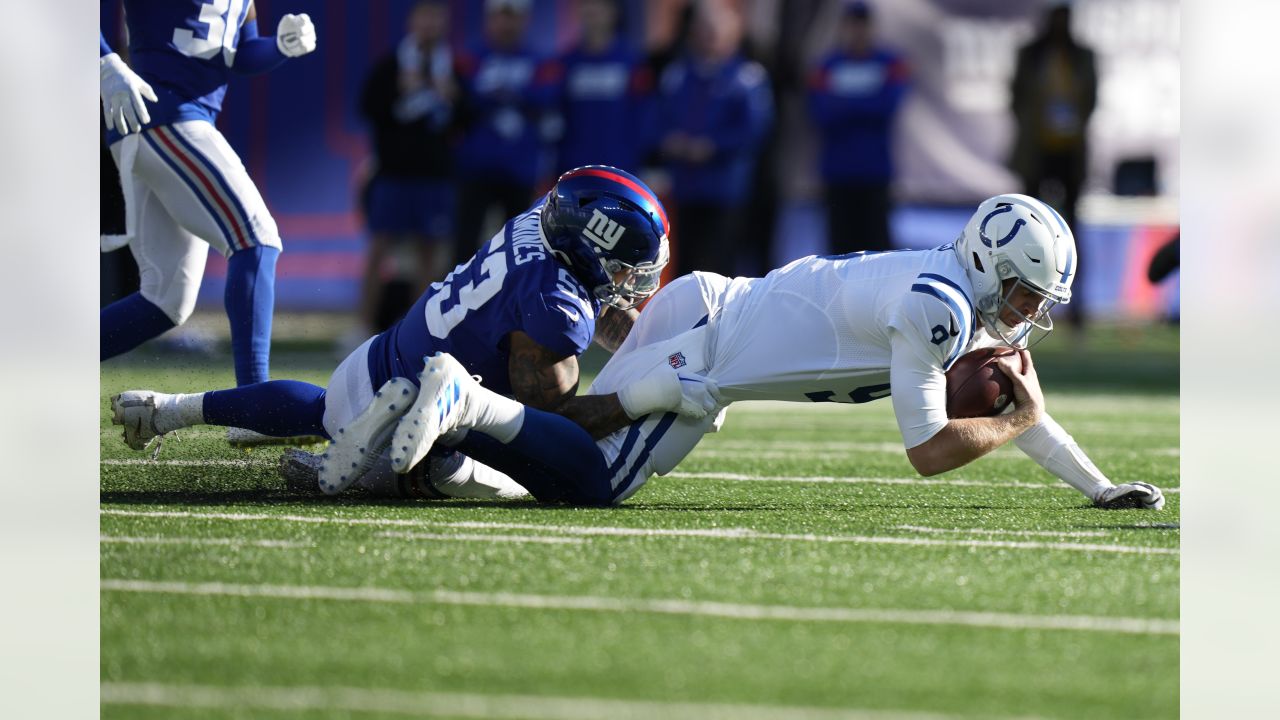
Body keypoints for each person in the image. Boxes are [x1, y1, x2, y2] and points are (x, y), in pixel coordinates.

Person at [310, 194, 1165, 511]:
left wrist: (1098, 485)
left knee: (573, 426)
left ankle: (428, 439)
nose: (1028, 314)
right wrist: (1019, 425)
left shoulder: (958, 286)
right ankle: (462, 405)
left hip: (714, 300)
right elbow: (930, 453)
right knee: (593, 481)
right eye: (1024, 294)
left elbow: (1026, 405)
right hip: (706, 357)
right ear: (990, 267)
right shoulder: (940, 309)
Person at [109, 167, 715, 502]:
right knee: (568, 479)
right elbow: (552, 420)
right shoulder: (557, 309)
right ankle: (420, 466)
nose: (628, 285)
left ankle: (169, 410)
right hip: (429, 409)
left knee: (324, 408)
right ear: (593, 247)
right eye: (625, 269)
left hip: (385, 356)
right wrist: (638, 398)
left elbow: (532, 297)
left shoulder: (540, 219)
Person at [98, 1, 317, 445]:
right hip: (162, 113)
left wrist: (278, 46)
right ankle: (254, 406)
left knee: (165, 301)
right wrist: (104, 60)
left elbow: (238, 52)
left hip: (177, 118)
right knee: (256, 240)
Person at [355, 0, 459, 338]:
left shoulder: (450, 67)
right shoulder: (393, 64)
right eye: (424, 17)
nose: (429, 25)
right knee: (379, 250)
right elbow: (367, 108)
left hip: (434, 176)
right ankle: (362, 327)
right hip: (394, 174)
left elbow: (467, 119)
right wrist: (399, 91)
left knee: (429, 255)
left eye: (436, 18)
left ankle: (419, 332)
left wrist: (453, 97)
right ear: (413, 22)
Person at [653, 0, 772, 277]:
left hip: (726, 189)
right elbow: (656, 120)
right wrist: (672, 142)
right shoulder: (679, 75)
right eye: (704, 29)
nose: (709, 37)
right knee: (685, 265)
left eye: (716, 30)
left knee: (720, 263)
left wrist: (713, 147)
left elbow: (755, 130)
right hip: (686, 187)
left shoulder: (746, 77)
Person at [1009, 2, 1097, 331]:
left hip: (1069, 155)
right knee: (1030, 231)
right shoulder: (1031, 54)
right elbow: (1016, 98)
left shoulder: (1082, 56)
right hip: (1037, 154)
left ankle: (1076, 309)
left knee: (1072, 231)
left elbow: (1090, 100)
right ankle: (1022, 303)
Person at [452, 0, 562, 260]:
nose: (506, 24)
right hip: (474, 168)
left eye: (513, 17)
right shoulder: (470, 58)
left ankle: (513, 301)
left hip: (519, 169)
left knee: (518, 248)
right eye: (501, 16)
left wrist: (496, 94)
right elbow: (461, 100)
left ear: (524, 20)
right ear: (489, 19)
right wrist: (515, 96)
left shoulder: (540, 61)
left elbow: (546, 98)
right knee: (464, 245)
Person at [807, 0, 909, 254]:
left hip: (875, 171)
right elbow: (821, 111)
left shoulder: (890, 62)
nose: (858, 30)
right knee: (839, 251)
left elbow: (888, 106)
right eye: (853, 24)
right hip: (838, 172)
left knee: (877, 250)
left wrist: (843, 102)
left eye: (862, 24)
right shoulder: (826, 65)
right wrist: (866, 101)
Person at [555, 0, 654, 174]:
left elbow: (644, 114)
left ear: (613, 12)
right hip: (575, 170)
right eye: (587, 4)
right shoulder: (566, 62)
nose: (592, 9)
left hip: (621, 170)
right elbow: (558, 115)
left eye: (599, 4)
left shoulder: (632, 62)